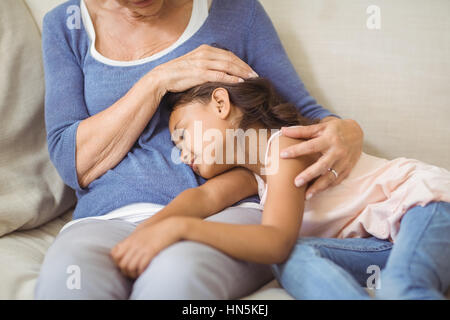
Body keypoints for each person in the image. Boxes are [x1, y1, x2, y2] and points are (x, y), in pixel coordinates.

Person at [36, 0, 364, 299]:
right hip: (104, 219)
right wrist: (157, 81)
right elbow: (72, 163)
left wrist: (348, 130)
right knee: (67, 283)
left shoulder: (236, 12)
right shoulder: (67, 25)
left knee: (175, 277)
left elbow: (300, 113)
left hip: (223, 212)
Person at [109, 77, 450, 299]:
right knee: (295, 257)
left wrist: (179, 229)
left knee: (403, 286)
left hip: (425, 205)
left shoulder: (288, 147)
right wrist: (140, 236)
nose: (182, 155)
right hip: (385, 241)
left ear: (220, 103)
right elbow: (201, 198)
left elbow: (275, 240)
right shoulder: (255, 174)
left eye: (182, 134)